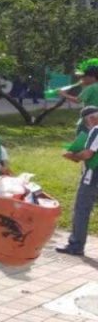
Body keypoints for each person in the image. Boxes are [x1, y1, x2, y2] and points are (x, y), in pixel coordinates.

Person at [57, 105, 98, 256]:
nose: (87, 125)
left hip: (93, 177)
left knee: (82, 209)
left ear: (92, 118)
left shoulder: (96, 129)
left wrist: (72, 156)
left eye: (87, 122)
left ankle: (76, 245)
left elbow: (87, 154)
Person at [62, 66, 98, 135]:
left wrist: (64, 94)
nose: (83, 79)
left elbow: (78, 100)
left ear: (92, 77)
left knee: (81, 133)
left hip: (89, 116)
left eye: (85, 77)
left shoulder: (91, 88)